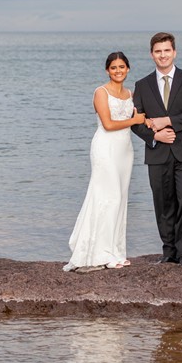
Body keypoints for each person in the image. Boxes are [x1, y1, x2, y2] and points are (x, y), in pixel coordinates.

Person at [130, 32, 182, 270]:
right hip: (157, 152)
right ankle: (168, 252)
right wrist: (155, 134)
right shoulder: (142, 85)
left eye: (167, 50)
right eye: (158, 51)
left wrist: (167, 120)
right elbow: (135, 121)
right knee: (162, 203)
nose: (163, 55)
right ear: (152, 54)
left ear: (174, 52)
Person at [64, 52, 146, 272]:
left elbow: (142, 119)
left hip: (125, 150)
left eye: (122, 67)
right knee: (109, 196)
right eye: (113, 68)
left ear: (128, 69)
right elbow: (108, 124)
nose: (118, 71)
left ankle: (116, 251)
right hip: (105, 148)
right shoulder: (101, 93)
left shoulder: (132, 94)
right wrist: (135, 119)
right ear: (107, 70)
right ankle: (101, 253)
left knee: (120, 198)